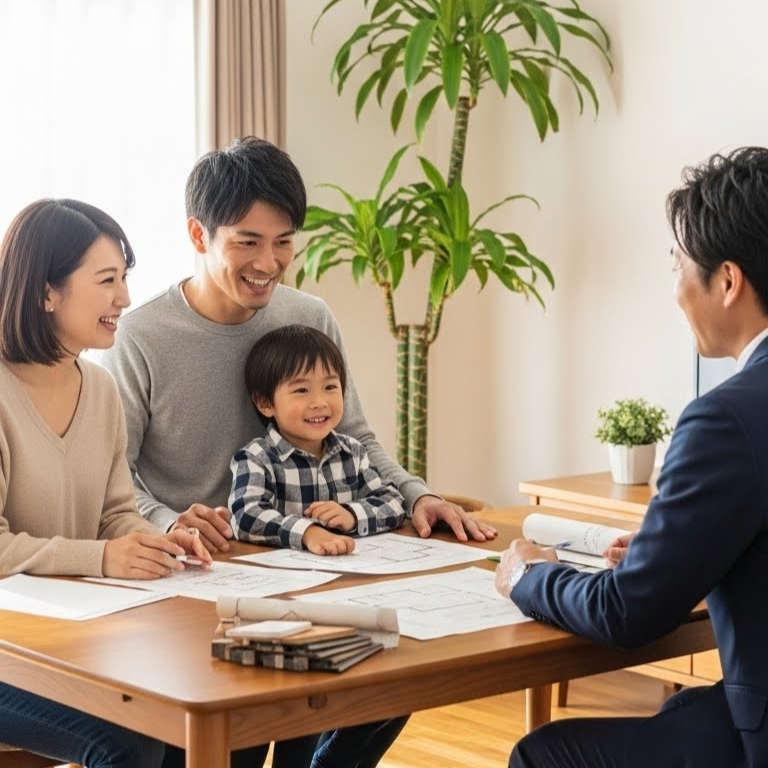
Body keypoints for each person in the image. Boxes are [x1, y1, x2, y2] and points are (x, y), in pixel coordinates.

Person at [101, 135, 494, 768]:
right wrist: (167, 520)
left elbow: (357, 439)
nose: (269, 261)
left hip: (310, 566)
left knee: (400, 671)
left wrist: (420, 494)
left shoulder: (309, 315)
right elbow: (111, 474)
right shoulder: (142, 336)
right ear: (200, 235)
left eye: (283, 241)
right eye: (247, 242)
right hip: (200, 575)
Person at [495, 146, 768, 768]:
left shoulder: (725, 418)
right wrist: (674, 549)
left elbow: (627, 613)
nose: (674, 288)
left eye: (677, 265)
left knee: (547, 755)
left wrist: (527, 575)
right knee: (682, 713)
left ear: (727, 282)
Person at [0, 198, 210, 768]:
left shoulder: (99, 389)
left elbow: (115, 511)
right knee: (126, 746)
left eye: (125, 278)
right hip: (9, 656)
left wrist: (150, 543)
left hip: (74, 643)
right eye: (107, 280)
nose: (125, 298)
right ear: (47, 292)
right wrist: (101, 558)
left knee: (179, 719)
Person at [231, 324, 407, 555]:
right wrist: (307, 532)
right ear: (265, 403)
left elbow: (394, 502)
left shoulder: (353, 453)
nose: (319, 402)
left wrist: (352, 515)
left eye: (330, 387)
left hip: (347, 575)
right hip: (284, 581)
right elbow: (245, 515)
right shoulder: (256, 458)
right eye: (302, 390)